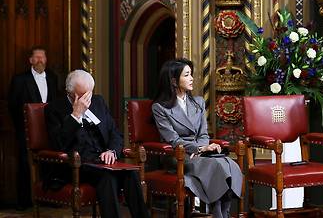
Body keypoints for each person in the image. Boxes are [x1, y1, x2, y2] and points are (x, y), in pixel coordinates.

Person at [45, 69, 149, 217]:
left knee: (130, 173)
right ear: (70, 93)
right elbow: (59, 144)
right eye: (83, 96)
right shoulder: (54, 109)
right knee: (107, 177)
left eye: (90, 93)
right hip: (77, 165)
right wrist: (76, 114)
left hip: (103, 161)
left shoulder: (98, 101)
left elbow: (115, 133)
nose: (88, 99)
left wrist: (112, 151)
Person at [151, 59, 241, 218]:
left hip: (201, 153)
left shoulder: (198, 102)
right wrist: (198, 149)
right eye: (187, 75)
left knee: (228, 163)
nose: (192, 78)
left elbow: (204, 134)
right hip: (177, 155)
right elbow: (172, 139)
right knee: (215, 164)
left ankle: (222, 212)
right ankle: (219, 213)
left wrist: (204, 149)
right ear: (174, 80)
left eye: (191, 74)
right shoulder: (160, 107)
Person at [8, 46, 59, 210]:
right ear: (30, 60)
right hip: (26, 131)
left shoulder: (52, 78)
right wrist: (22, 128)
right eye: (36, 57)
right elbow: (13, 106)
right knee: (24, 164)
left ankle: (49, 199)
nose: (40, 60)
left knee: (49, 163)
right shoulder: (19, 79)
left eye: (42, 57)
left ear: (46, 60)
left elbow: (55, 104)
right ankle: (24, 202)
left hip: (49, 130)